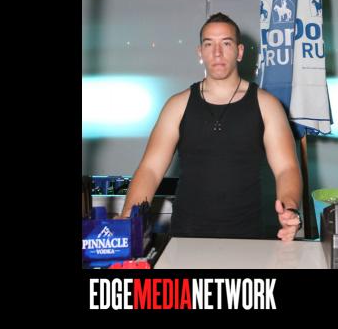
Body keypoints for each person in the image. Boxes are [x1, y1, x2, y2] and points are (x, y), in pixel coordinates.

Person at [119, 12, 303, 241]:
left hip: (247, 239)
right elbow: (150, 170)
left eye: (226, 43)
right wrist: (127, 219)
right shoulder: (177, 105)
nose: (217, 52)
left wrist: (290, 208)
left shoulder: (267, 105)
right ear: (200, 52)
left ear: (240, 51)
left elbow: (286, 168)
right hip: (185, 237)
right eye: (209, 44)